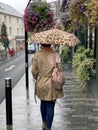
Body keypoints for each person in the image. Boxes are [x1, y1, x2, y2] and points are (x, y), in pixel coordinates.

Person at [31, 44, 64, 130]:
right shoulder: (55, 55)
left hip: (41, 82)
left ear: (42, 44)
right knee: (50, 105)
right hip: (52, 83)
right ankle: (48, 127)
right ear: (50, 43)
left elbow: (33, 71)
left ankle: (44, 123)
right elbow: (60, 69)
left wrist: (39, 78)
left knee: (43, 102)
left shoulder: (37, 55)